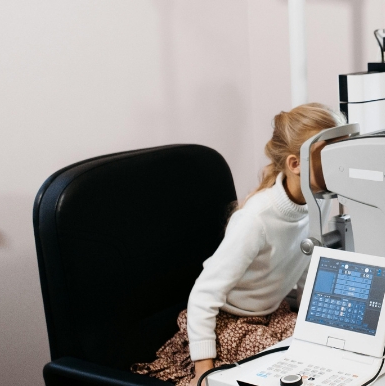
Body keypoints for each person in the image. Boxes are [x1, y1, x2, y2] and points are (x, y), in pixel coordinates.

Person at [132, 103, 346, 386]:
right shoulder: (255, 220)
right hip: (228, 321)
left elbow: (304, 268)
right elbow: (202, 296)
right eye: (331, 157)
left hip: (271, 313)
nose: (342, 165)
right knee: (283, 365)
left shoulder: (316, 204)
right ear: (296, 164)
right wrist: (203, 372)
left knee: (328, 346)